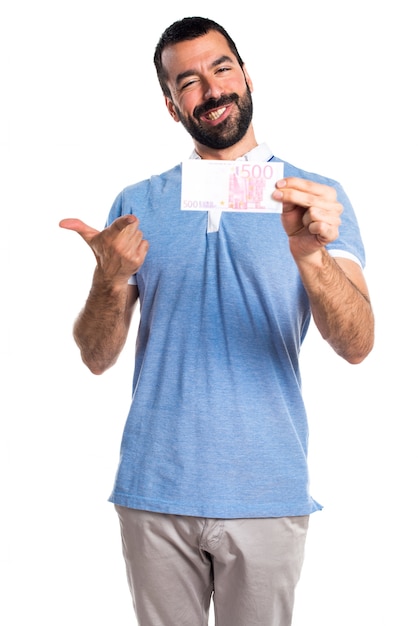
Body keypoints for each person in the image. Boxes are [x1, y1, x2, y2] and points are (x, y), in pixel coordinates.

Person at [60, 16, 374, 626]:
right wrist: (107, 278)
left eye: (221, 68)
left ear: (246, 75)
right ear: (172, 106)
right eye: (189, 81)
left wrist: (310, 254)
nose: (211, 89)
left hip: (267, 488)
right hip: (155, 488)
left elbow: (359, 344)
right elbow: (95, 356)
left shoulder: (316, 198)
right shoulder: (137, 203)